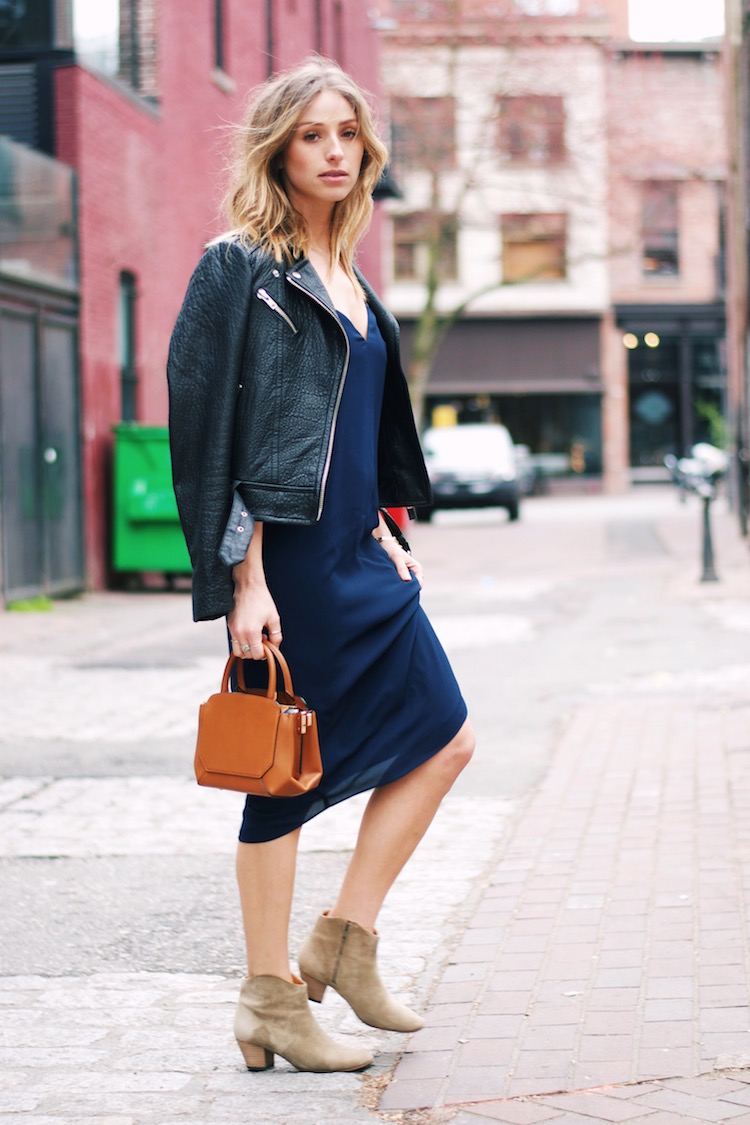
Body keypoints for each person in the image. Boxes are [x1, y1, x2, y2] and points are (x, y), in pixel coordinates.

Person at [167, 56, 474, 1075]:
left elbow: (356, 420)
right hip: (286, 565)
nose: (334, 152)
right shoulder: (239, 267)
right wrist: (241, 583)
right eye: (312, 135)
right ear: (278, 148)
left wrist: (388, 520)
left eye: (348, 134)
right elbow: (218, 434)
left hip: (356, 552)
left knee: (447, 739)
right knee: (280, 768)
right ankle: (267, 1003)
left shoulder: (347, 268)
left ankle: (341, 942)